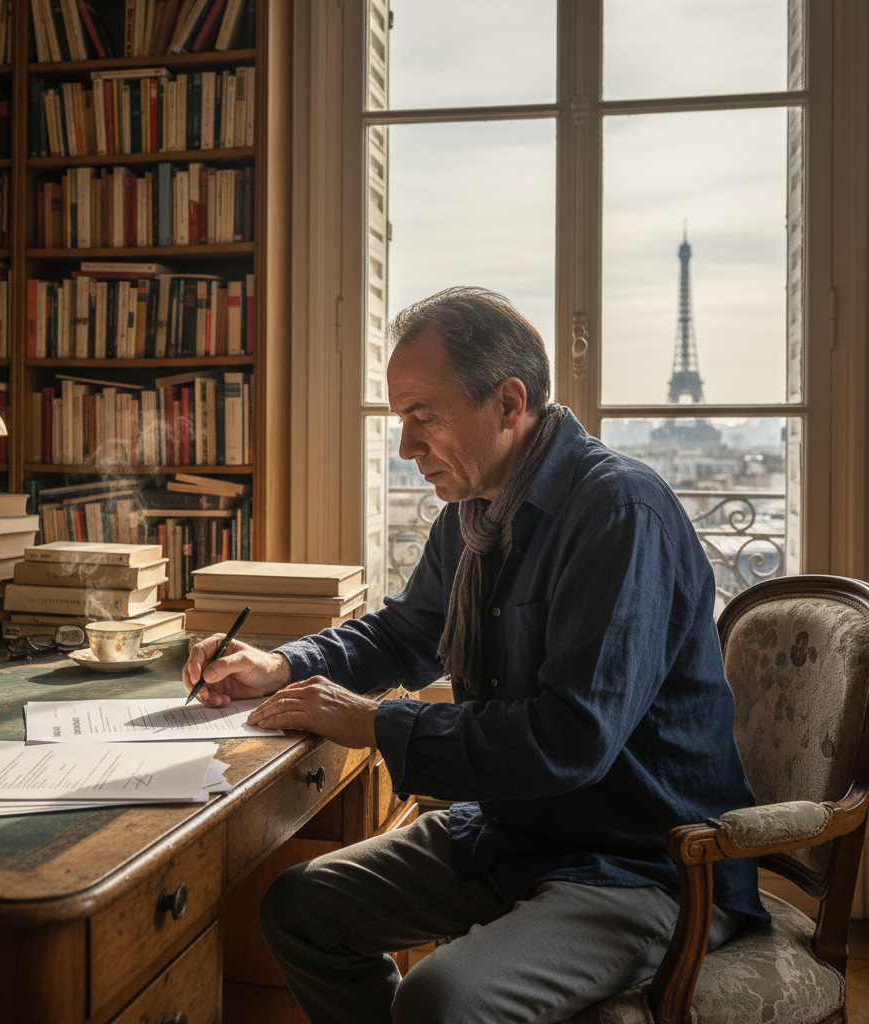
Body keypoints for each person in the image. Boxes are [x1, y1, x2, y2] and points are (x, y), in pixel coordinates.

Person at [182, 286, 767, 1024]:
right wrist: (282, 665)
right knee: (301, 908)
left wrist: (375, 722)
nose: (405, 447)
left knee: (440, 998)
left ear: (509, 402)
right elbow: (402, 633)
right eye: (400, 420)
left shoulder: (620, 513)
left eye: (422, 416)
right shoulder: (474, 516)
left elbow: (571, 739)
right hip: (521, 833)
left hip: (644, 862)